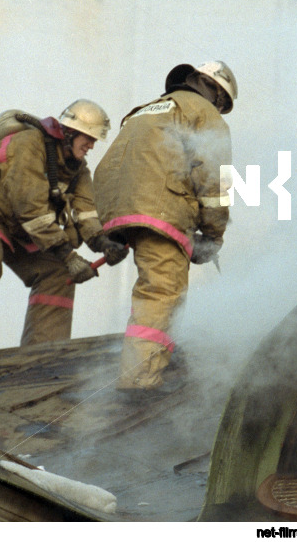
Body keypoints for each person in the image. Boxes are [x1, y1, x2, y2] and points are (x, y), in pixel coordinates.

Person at [0, 100, 129, 371]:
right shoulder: (29, 143)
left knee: (56, 272)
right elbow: (30, 207)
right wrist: (68, 254)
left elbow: (87, 215)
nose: (92, 146)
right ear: (70, 132)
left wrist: (104, 243)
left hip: (15, 223)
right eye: (89, 138)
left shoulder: (79, 171)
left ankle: (44, 354)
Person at [94, 61, 235, 396]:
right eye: (221, 102)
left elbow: (116, 164)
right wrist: (213, 235)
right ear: (208, 86)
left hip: (122, 207)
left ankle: (147, 365)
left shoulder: (144, 110)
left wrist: (110, 224)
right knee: (162, 291)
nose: (219, 109)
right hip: (163, 209)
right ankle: (139, 381)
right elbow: (214, 180)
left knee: (154, 286)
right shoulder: (204, 114)